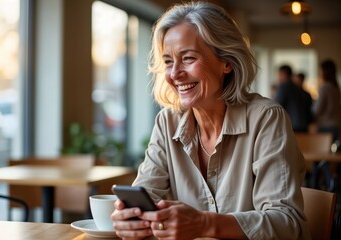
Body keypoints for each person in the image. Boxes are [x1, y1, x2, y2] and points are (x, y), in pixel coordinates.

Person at [111, 2, 310, 240]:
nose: (174, 74)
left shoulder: (266, 118)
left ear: (226, 62)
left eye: (188, 58)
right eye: (167, 62)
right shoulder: (167, 123)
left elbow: (287, 223)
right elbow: (145, 197)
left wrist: (204, 224)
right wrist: (129, 220)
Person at [274, 65, 314, 132]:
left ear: (283, 74)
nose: (278, 77)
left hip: (292, 125)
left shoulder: (284, 87)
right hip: (303, 124)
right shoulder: (296, 87)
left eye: (279, 74)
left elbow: (276, 106)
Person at [313, 59, 341, 142]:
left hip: (326, 126)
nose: (320, 73)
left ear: (325, 72)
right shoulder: (336, 88)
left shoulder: (324, 88)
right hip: (336, 124)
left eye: (320, 70)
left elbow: (317, 109)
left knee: (323, 153)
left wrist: (311, 106)